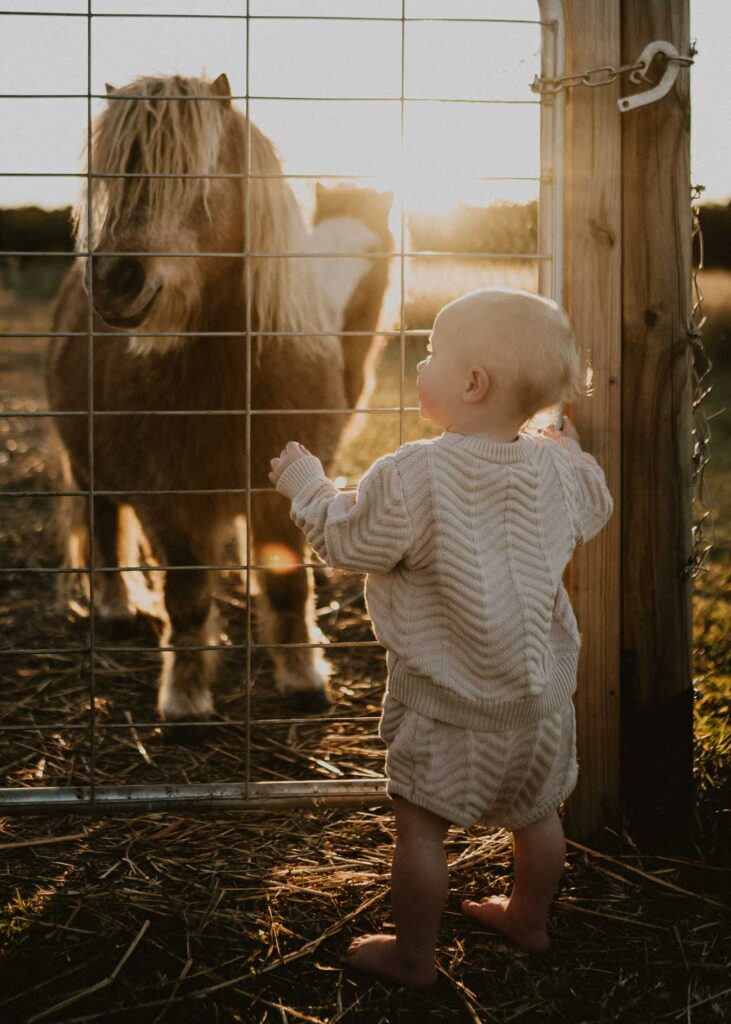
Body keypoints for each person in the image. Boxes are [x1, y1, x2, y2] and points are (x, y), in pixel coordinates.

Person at [269, 287, 613, 988]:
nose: (417, 364)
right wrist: (571, 452)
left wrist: (306, 486)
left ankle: (413, 956)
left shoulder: (412, 474)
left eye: (428, 353)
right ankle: (528, 918)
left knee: (421, 831)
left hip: (445, 711)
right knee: (538, 816)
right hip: (539, 708)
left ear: (471, 382)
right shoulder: (556, 471)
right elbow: (593, 501)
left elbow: (348, 540)